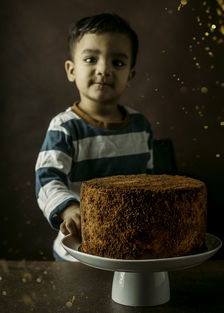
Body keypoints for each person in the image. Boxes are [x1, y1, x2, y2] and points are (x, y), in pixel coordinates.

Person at [35, 13, 153, 261]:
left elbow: (150, 182)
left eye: (118, 63)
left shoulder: (141, 127)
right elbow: (47, 178)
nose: (104, 70)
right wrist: (69, 209)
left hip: (132, 249)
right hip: (80, 251)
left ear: (130, 76)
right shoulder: (65, 128)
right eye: (91, 59)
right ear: (71, 70)